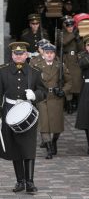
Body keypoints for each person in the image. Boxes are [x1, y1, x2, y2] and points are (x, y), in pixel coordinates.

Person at [0, 42, 47, 193]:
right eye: (16, 54)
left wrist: (35, 95)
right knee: (14, 148)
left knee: (28, 147)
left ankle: (30, 182)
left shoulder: (34, 71)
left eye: (21, 54)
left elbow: (43, 91)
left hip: (28, 113)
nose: (18, 56)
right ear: (12, 55)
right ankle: (20, 181)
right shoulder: (3, 71)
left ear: (26, 55)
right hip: (9, 112)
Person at [32, 43, 72, 159]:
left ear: (54, 54)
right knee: (44, 124)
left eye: (51, 53)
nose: (49, 55)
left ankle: (54, 141)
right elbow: (32, 81)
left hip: (56, 97)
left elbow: (69, 81)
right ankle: (49, 148)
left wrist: (63, 91)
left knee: (56, 125)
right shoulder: (37, 65)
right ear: (43, 54)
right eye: (47, 53)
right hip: (42, 96)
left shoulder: (60, 66)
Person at [62, 18, 83, 114]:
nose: (70, 28)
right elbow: (63, 42)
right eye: (68, 26)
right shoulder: (62, 33)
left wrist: (78, 39)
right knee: (68, 81)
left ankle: (77, 104)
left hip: (75, 60)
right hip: (66, 60)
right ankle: (68, 104)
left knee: (77, 82)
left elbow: (81, 49)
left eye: (72, 26)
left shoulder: (75, 34)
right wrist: (72, 35)